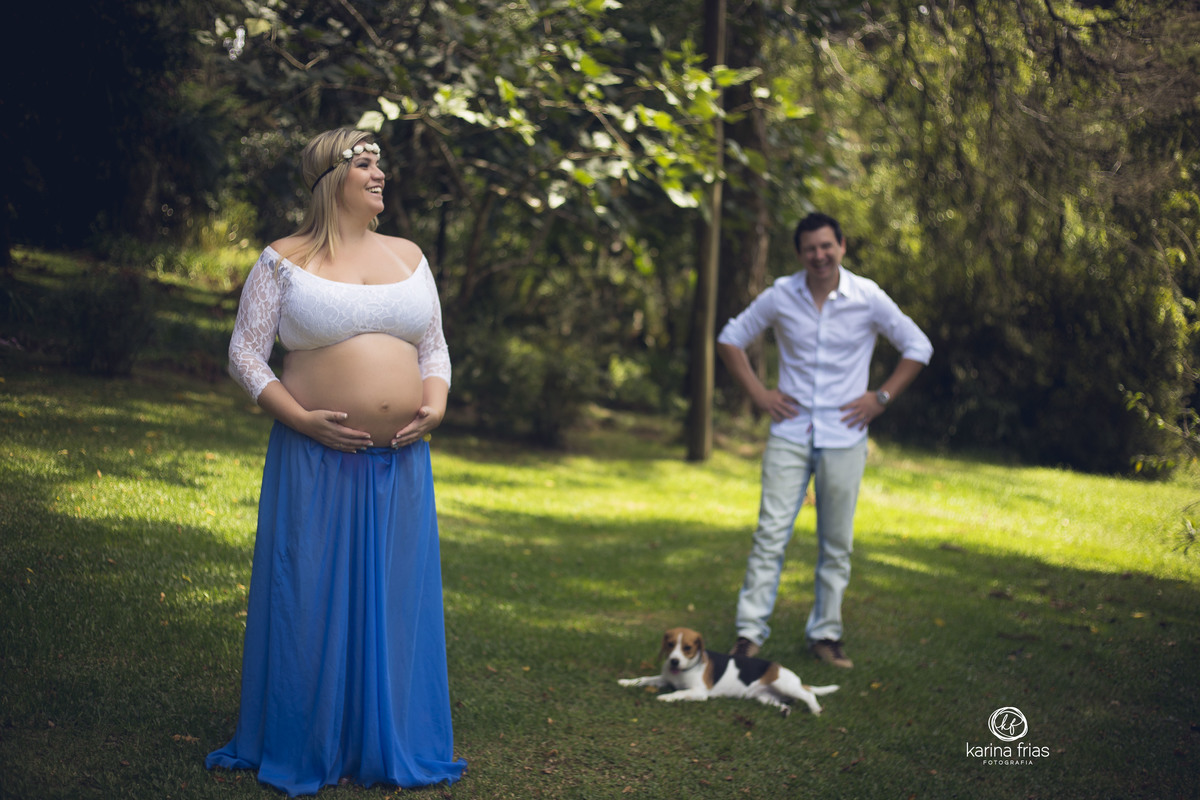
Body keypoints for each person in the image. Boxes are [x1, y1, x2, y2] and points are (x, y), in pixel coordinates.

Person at [206, 127, 467, 795]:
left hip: (400, 465)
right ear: (331, 178)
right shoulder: (282, 259)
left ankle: (385, 736)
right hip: (315, 461)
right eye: (365, 163)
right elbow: (244, 353)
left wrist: (435, 403)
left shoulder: (410, 256)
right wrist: (299, 419)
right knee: (311, 601)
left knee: (394, 606)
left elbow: (433, 347)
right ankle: (311, 737)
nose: (380, 173)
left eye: (381, 163)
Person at [718, 212, 932, 669]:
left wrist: (881, 397)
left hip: (845, 434)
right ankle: (748, 634)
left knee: (836, 541)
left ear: (842, 246)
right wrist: (759, 394)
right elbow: (730, 338)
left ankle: (826, 635)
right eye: (810, 248)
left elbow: (918, 346)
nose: (819, 255)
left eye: (826, 246)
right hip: (790, 432)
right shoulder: (781, 295)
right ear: (799, 254)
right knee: (770, 534)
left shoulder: (867, 297)